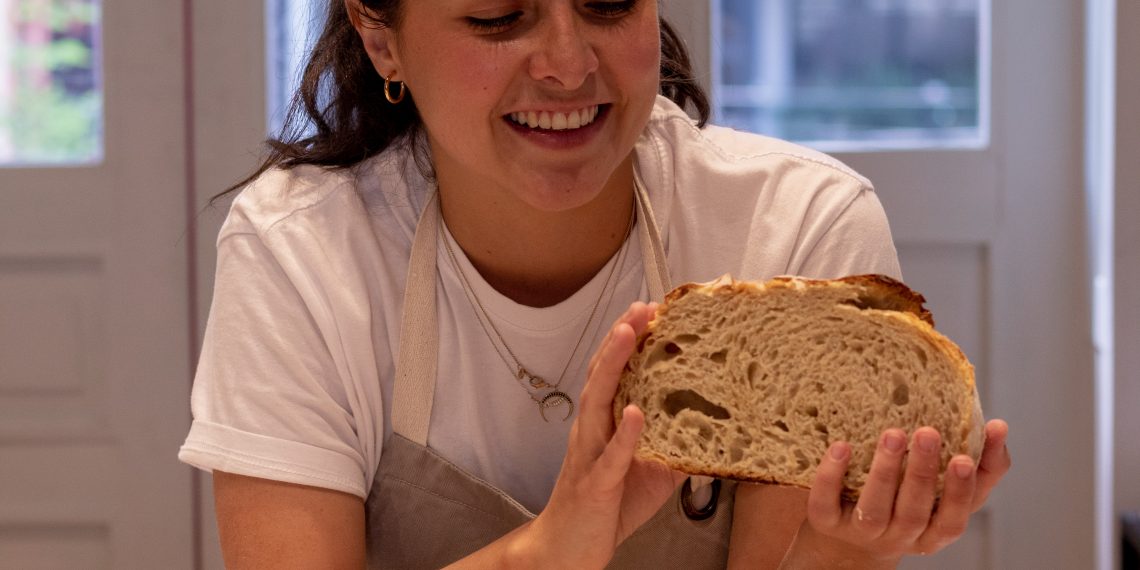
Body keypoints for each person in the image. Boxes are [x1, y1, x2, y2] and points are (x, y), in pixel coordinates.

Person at [178, 0, 1012, 568]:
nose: (569, 65)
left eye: (610, 2)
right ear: (380, 33)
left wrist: (845, 550)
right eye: (500, 17)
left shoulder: (796, 230)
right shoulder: (302, 254)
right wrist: (549, 550)